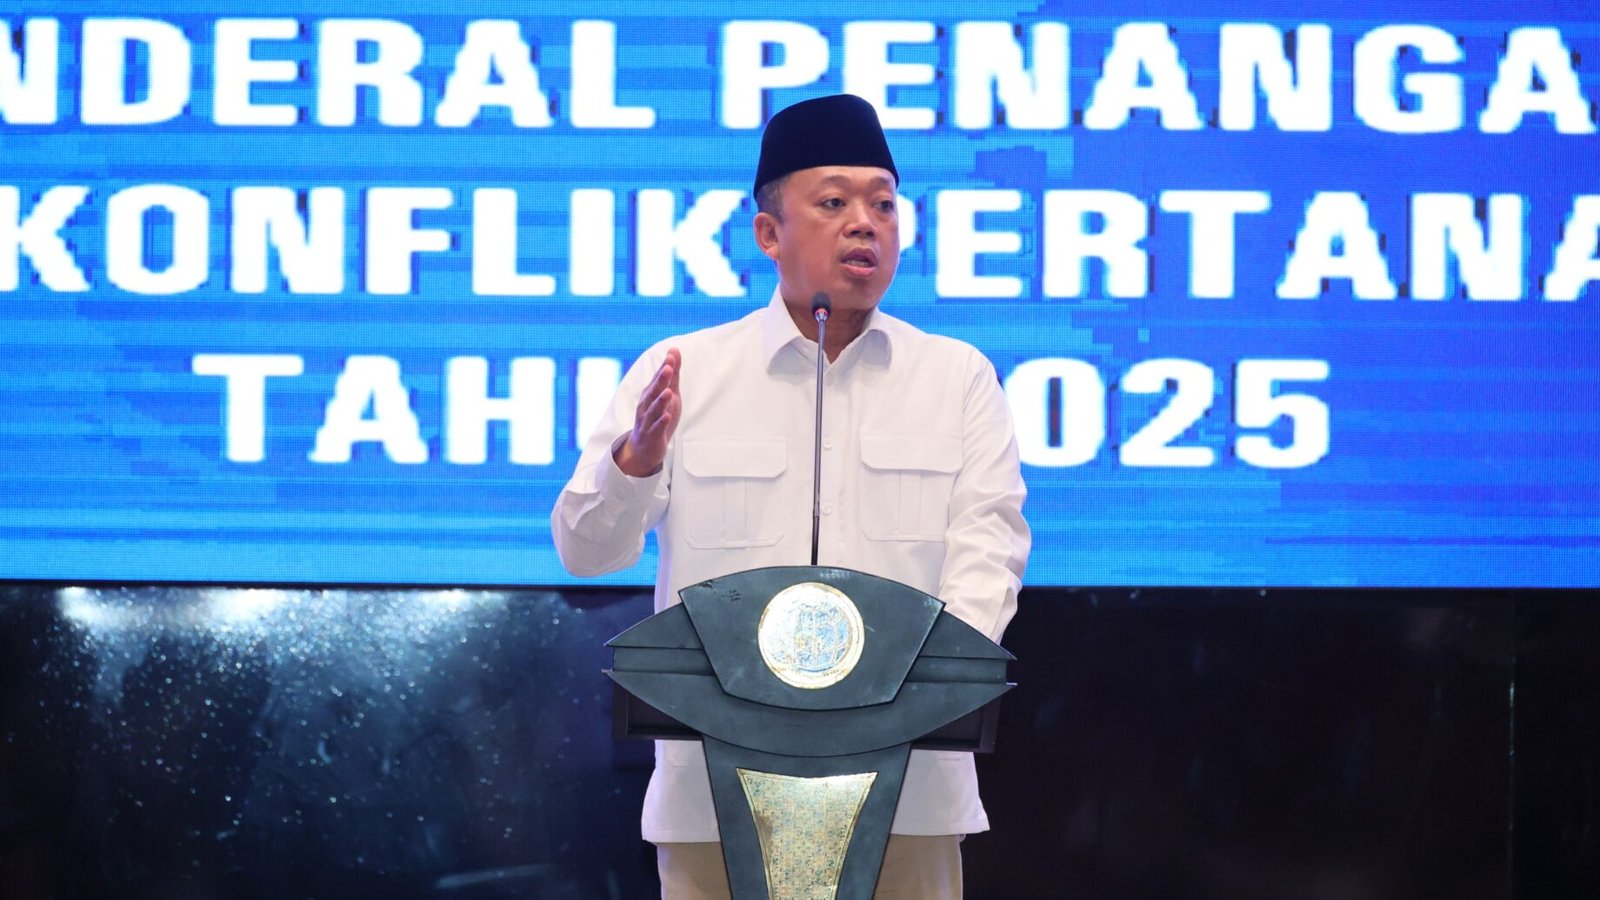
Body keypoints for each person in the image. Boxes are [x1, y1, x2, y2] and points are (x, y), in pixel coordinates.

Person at [551, 93, 1030, 899]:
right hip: (714, 800)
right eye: (834, 203)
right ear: (769, 234)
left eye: (884, 205)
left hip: (906, 793)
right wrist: (634, 461)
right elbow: (585, 551)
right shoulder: (685, 370)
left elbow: (990, 551)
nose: (865, 224)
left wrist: (911, 692)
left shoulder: (957, 379)